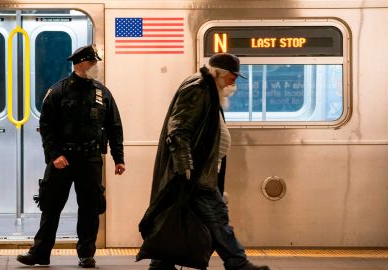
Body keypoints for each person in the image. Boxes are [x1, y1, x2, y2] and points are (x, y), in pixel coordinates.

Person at [144, 53, 270, 270]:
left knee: (181, 214)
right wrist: (185, 164)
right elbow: (179, 128)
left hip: (200, 170)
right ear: (220, 73)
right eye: (233, 76)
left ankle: (161, 263)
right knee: (217, 218)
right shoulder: (198, 88)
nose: (234, 81)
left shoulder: (209, 87)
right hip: (196, 172)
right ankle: (237, 263)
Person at [17, 44, 125, 268]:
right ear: (81, 63)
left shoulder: (102, 93)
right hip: (62, 160)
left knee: (90, 207)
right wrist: (54, 155)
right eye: (93, 62)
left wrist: (119, 157)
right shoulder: (58, 91)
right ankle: (40, 253)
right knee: (51, 206)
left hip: (91, 159)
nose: (96, 66)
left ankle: (86, 254)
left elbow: (114, 126)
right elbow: (46, 127)